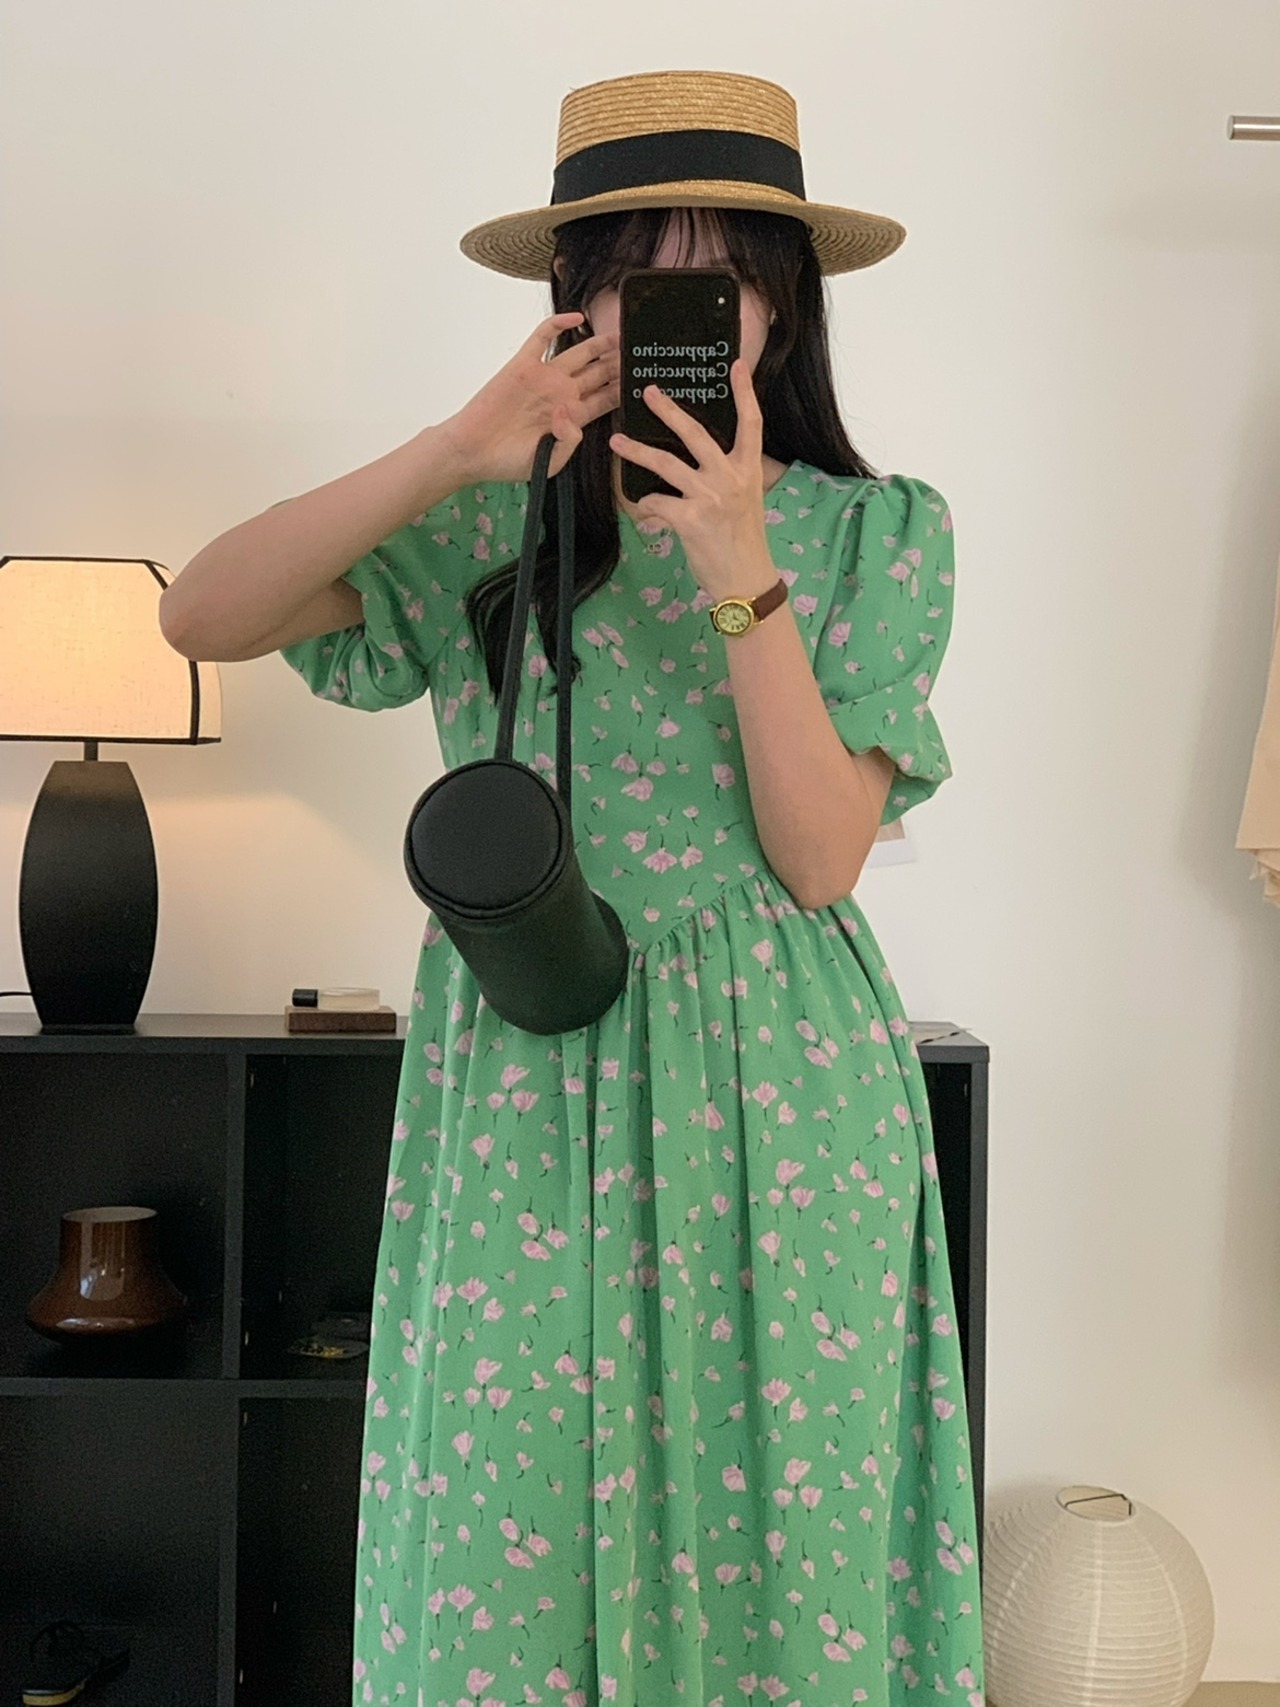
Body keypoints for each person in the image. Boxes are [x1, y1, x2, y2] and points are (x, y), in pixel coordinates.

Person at [162, 68, 985, 1707]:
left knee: (782, 1545)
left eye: (721, 280)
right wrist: (457, 447)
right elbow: (202, 614)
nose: (678, 316)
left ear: (780, 310)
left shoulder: (870, 534)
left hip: (782, 1089)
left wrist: (739, 566)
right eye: (634, 276)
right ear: (572, 298)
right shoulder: (483, 522)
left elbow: (819, 857)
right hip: (526, 1067)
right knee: (501, 1544)